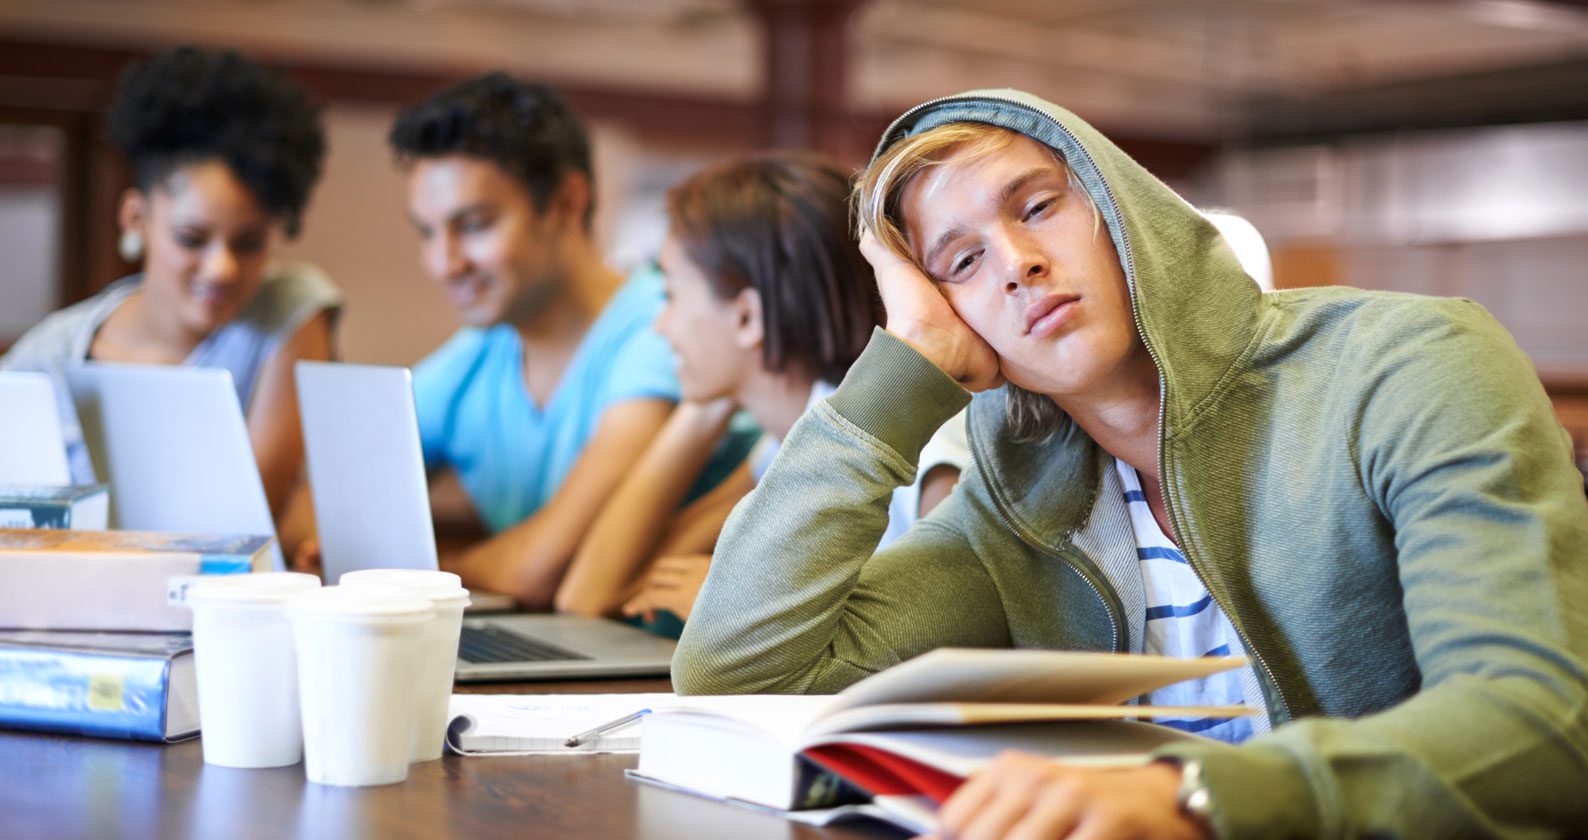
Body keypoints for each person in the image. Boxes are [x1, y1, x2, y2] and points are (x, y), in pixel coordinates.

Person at [672, 90, 1588, 837]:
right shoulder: (1020, 494)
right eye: (960, 262)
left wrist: (1191, 796)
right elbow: (742, 670)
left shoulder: (1409, 365)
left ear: (1121, 207)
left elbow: (1538, 726)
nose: (1018, 265)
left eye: (1037, 207)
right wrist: (898, 375)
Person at [555, 152, 969, 630]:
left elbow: (955, 639)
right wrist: (704, 408)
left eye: (671, 295)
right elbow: (589, 595)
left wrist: (743, 609)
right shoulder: (782, 442)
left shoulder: (931, 448)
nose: (660, 326)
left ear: (748, 316)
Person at [387, 74, 748, 608]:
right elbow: (326, 507)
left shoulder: (661, 329)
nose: (444, 263)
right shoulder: (477, 353)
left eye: (474, 225)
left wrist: (433, 575)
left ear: (565, 203)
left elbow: (542, 569)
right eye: (428, 232)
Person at [0, 46, 339, 526]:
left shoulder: (285, 314)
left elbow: (246, 526)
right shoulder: (46, 358)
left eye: (249, 243)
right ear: (136, 218)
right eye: (192, 238)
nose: (221, 268)